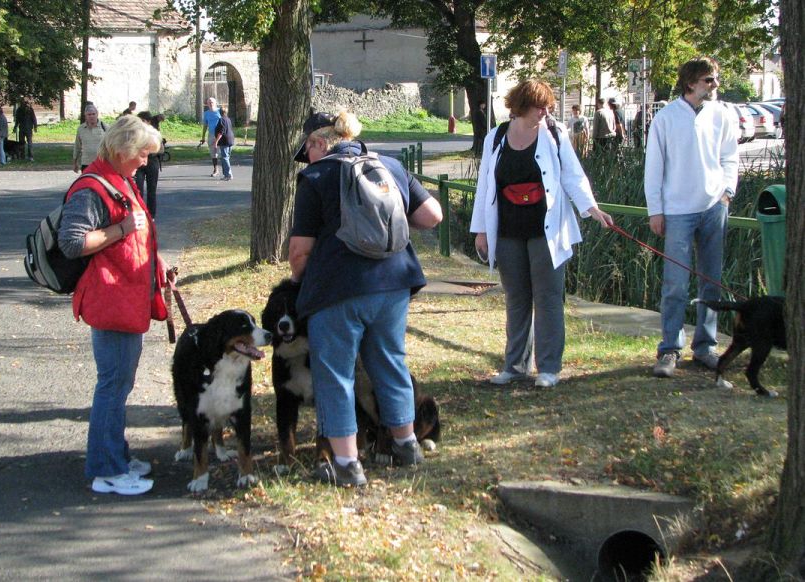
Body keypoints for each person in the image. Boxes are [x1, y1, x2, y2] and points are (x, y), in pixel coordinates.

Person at [289, 111, 443, 487]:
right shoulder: (390, 165)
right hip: (394, 283)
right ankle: (406, 444)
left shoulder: (316, 176)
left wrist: (302, 282)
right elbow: (433, 215)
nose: (307, 156)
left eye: (307, 148)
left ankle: (346, 463)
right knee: (390, 361)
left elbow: (299, 252)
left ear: (320, 142)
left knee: (335, 373)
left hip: (338, 290)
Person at [470, 79, 613, 388]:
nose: (545, 112)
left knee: (547, 297)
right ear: (522, 107)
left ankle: (548, 367)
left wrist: (592, 209)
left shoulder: (555, 135)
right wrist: (480, 229)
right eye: (540, 107)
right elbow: (485, 185)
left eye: (548, 107)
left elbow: (574, 176)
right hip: (507, 230)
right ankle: (515, 365)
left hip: (546, 230)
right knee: (517, 298)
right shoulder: (495, 137)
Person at [57, 115, 169, 496]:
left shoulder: (119, 179)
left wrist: (157, 263)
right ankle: (106, 469)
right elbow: (72, 243)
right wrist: (122, 230)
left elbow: (140, 232)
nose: (145, 162)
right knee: (113, 384)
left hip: (124, 296)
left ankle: (115, 454)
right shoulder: (91, 188)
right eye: (142, 155)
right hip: (111, 299)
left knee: (120, 382)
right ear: (122, 150)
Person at [645, 57, 739, 378]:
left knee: (710, 282)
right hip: (677, 211)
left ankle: (705, 347)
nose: (714, 85)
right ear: (691, 83)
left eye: (715, 79)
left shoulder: (722, 115)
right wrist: (655, 209)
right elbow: (654, 166)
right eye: (708, 80)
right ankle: (670, 348)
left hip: (714, 208)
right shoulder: (667, 118)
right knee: (675, 284)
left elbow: (730, 156)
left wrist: (727, 192)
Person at [134, 111, 162, 217]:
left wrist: (149, 150)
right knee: (138, 189)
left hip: (152, 161)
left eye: (142, 121)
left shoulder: (154, 132)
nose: (140, 123)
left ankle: (151, 215)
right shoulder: (135, 133)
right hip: (139, 163)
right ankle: (140, 213)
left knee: (152, 189)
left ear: (148, 122)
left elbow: (160, 149)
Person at [73, 104, 106, 173]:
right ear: (85, 116)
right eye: (89, 114)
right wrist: (75, 163)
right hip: (86, 163)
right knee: (87, 183)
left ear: (97, 114)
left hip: (101, 163)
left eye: (93, 114)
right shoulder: (81, 129)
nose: (91, 116)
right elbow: (77, 146)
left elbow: (111, 145)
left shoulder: (105, 127)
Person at [199, 97, 221, 177]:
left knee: (222, 153)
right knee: (213, 153)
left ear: (215, 103)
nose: (211, 104)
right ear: (207, 104)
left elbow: (225, 122)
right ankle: (216, 169)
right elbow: (205, 125)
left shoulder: (220, 111)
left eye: (212, 102)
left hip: (220, 134)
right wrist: (203, 137)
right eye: (209, 102)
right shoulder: (206, 113)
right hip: (211, 134)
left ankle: (227, 171)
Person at [214, 107, 234, 181]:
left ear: (220, 112)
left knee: (225, 157)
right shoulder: (228, 119)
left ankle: (228, 175)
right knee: (226, 157)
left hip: (224, 141)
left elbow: (221, 132)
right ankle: (226, 174)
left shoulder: (221, 119)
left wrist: (216, 141)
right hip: (230, 140)